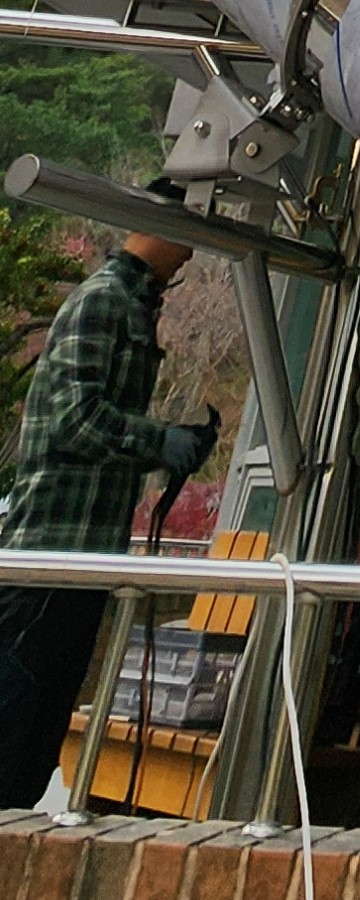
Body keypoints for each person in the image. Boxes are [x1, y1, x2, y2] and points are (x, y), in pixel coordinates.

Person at [0, 209, 218, 810]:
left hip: (83, 557)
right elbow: (74, 418)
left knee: (36, 738)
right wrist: (159, 441)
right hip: (50, 554)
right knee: (15, 732)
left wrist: (170, 444)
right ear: (157, 224)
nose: (192, 254)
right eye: (190, 234)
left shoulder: (130, 305)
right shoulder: (103, 301)